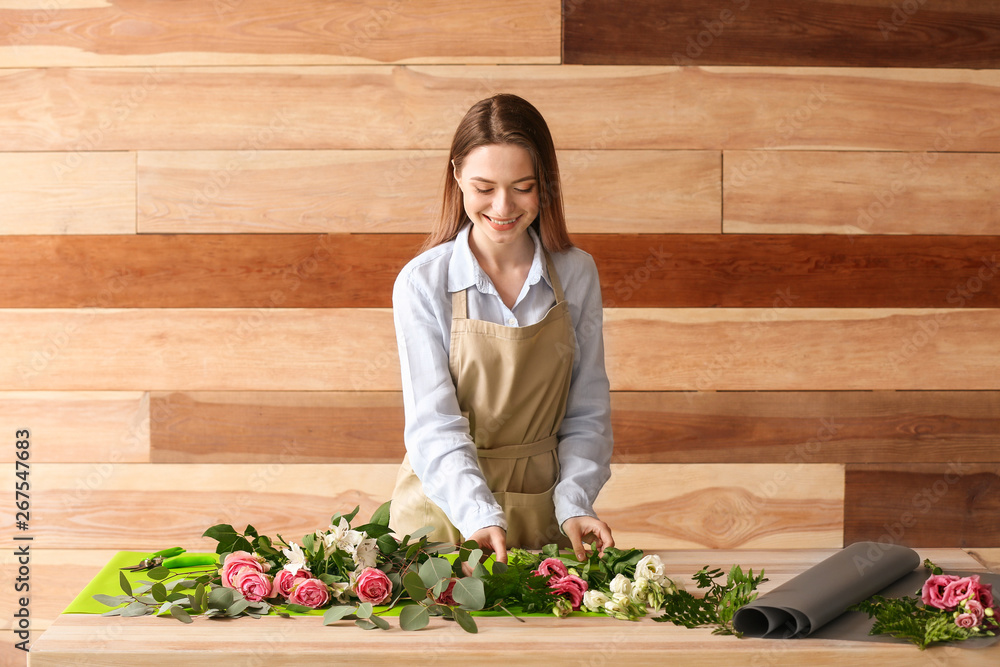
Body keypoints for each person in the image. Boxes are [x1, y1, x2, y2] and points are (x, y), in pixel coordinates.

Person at [388, 93, 614, 564]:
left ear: (545, 183)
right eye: (484, 187)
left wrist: (575, 501)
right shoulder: (422, 282)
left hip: (542, 511)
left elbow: (586, 410)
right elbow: (434, 423)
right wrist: (478, 514)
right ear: (457, 177)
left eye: (523, 186)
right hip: (442, 514)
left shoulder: (576, 274)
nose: (503, 207)